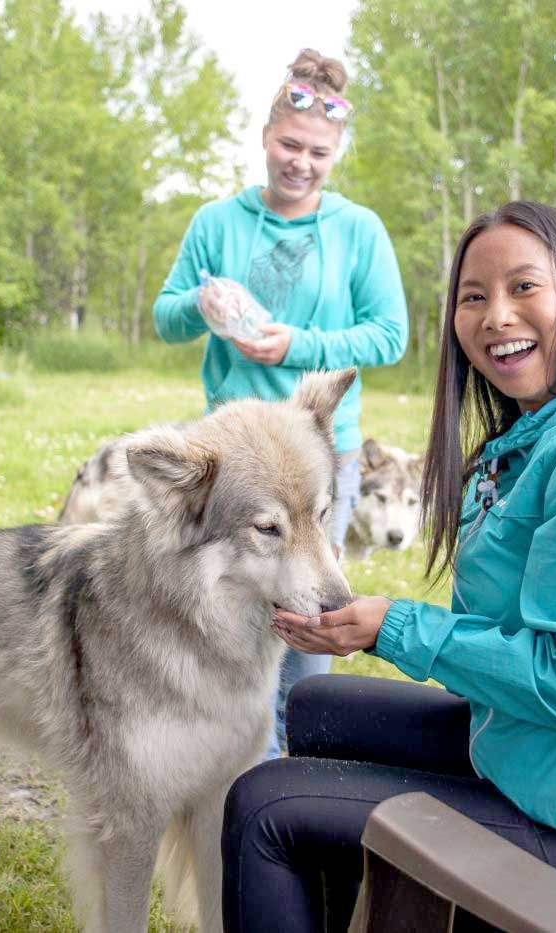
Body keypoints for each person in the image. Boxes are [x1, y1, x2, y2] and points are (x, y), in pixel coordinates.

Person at [222, 201, 556, 932]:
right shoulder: (545, 429)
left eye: (525, 288)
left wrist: (394, 627)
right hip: (538, 757)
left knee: (264, 805)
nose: (496, 316)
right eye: (473, 296)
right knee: (313, 709)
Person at [152, 50, 408, 760]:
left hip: (319, 456)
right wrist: (199, 305)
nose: (301, 161)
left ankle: (300, 771)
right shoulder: (217, 223)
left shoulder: (357, 230)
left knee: (308, 620)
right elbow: (164, 317)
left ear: (337, 153)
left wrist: (297, 343)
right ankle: (235, 766)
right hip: (233, 468)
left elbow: (390, 334)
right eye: (289, 144)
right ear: (265, 136)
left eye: (318, 152)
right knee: (231, 624)